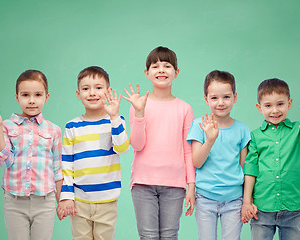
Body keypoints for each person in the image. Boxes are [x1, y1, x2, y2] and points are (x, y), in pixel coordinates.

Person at [241, 78, 300, 240]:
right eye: (268, 105)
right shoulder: (255, 136)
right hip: (262, 208)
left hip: (293, 208)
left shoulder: (298, 131)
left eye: (280, 104)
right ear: (259, 107)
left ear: (289, 104)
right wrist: (246, 202)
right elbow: (250, 169)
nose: (275, 110)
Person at [123, 46, 196, 240]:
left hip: (174, 184)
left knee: (170, 235)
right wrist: (139, 113)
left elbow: (188, 151)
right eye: (155, 66)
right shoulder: (139, 104)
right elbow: (137, 145)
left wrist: (191, 186)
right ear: (147, 73)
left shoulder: (185, 109)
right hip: (143, 183)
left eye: (167, 65)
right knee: (148, 236)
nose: (161, 70)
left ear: (176, 72)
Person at [0, 70, 63, 240]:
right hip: (15, 201)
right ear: (17, 97)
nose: (32, 100)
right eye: (25, 95)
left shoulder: (53, 130)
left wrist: (61, 201)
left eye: (38, 95)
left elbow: (57, 170)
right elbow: (5, 162)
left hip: (45, 202)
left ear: (46, 97)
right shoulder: (6, 126)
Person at [57, 66, 130, 240]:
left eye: (98, 88)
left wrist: (114, 118)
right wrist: (66, 196)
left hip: (107, 199)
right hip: (79, 200)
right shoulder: (72, 127)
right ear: (78, 94)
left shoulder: (116, 122)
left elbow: (123, 148)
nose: (92, 93)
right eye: (86, 88)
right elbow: (66, 163)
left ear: (108, 91)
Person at [186, 70, 250, 240]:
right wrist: (210, 140)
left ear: (234, 97)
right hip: (205, 199)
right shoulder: (199, 125)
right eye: (214, 98)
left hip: (234, 200)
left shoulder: (242, 130)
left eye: (226, 97)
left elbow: (245, 169)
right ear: (206, 99)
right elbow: (197, 162)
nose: (220, 103)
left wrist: (246, 201)